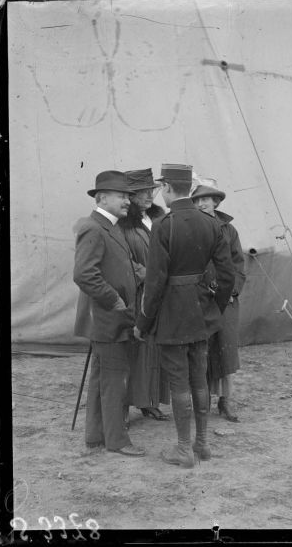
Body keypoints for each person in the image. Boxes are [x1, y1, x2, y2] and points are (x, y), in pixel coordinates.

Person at [135, 163, 235, 468]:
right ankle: (202, 445)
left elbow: (154, 284)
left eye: (161, 188)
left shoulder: (164, 226)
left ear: (168, 188)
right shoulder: (212, 224)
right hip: (201, 313)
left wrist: (143, 323)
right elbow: (227, 275)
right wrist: (214, 307)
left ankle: (183, 449)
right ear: (189, 190)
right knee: (199, 379)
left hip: (172, 314)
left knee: (179, 383)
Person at [73, 170, 146, 457]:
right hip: (109, 318)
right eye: (121, 196)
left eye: (128, 196)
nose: (127, 200)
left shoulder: (111, 227)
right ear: (102, 198)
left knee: (102, 378)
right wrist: (115, 301)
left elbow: (119, 266)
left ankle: (95, 437)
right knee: (115, 379)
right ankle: (117, 441)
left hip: (113, 318)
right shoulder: (94, 227)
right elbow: (84, 274)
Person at [191, 180, 246, 422]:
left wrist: (230, 291)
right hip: (199, 300)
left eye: (207, 199)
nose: (202, 203)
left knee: (225, 350)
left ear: (216, 202)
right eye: (197, 199)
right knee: (199, 351)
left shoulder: (229, 231)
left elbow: (238, 265)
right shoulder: (190, 227)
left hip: (224, 301)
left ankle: (225, 401)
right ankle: (200, 402)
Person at [119, 168, 170, 422]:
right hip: (137, 294)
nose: (150, 195)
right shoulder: (122, 224)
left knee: (154, 348)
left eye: (152, 190)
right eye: (143, 192)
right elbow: (123, 260)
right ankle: (131, 402)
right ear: (130, 194)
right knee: (137, 348)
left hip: (159, 293)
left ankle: (148, 400)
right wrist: (149, 276)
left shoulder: (158, 218)